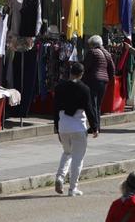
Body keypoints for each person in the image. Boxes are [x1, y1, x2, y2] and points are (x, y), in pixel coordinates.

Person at [53, 61, 98, 196]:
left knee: (67, 152)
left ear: (70, 72)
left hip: (63, 125)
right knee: (77, 158)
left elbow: (55, 109)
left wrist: (56, 127)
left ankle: (60, 177)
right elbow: (89, 109)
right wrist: (94, 127)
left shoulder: (60, 87)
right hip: (78, 126)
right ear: (81, 74)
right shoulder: (84, 89)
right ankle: (73, 188)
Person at [83, 35, 115, 132]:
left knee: (92, 104)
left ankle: (94, 127)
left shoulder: (92, 52)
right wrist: (108, 78)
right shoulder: (107, 53)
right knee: (98, 104)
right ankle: (97, 126)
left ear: (92, 44)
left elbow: (85, 66)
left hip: (93, 80)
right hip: (104, 81)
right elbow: (112, 69)